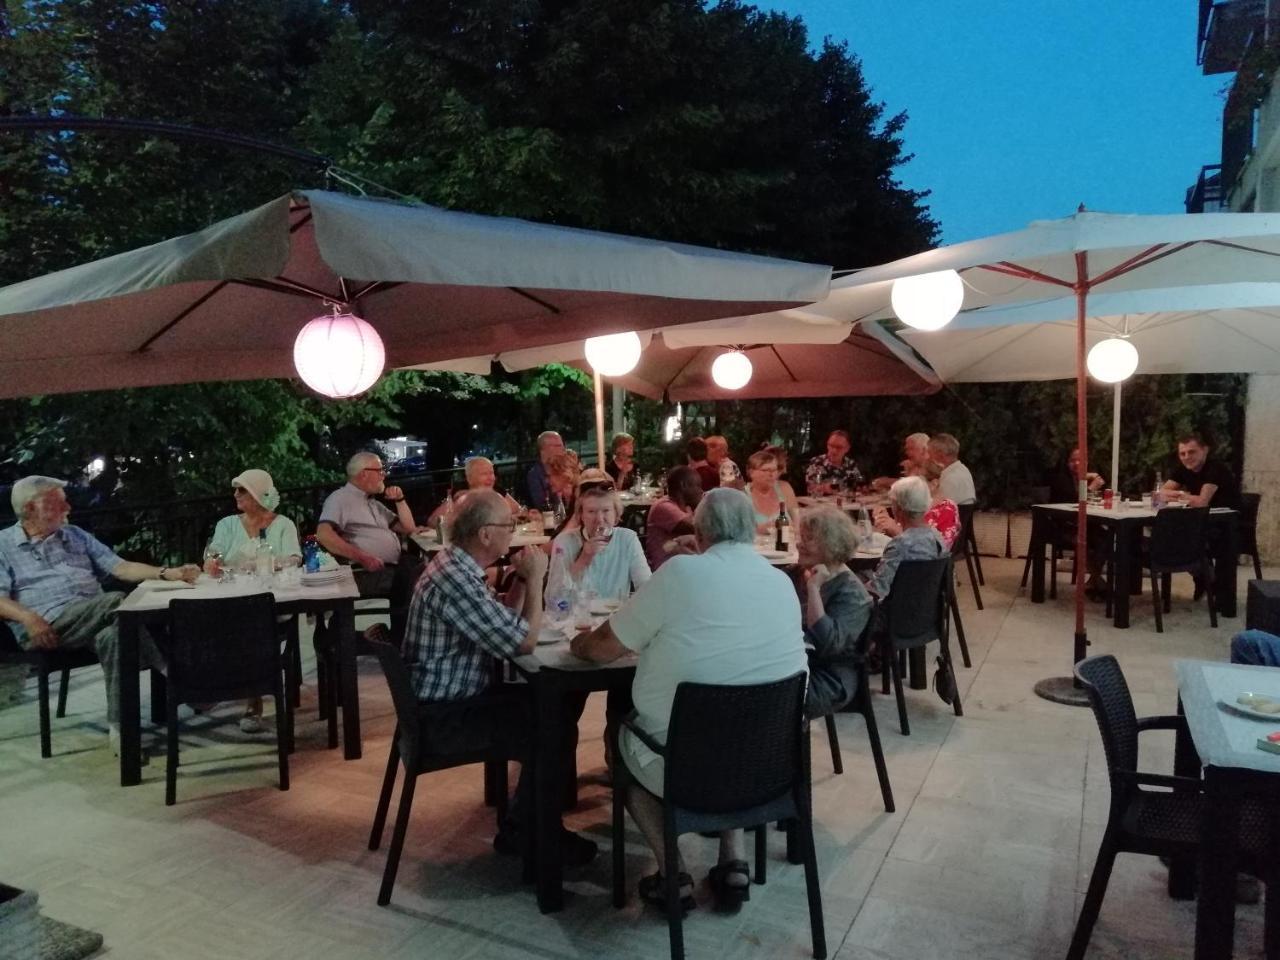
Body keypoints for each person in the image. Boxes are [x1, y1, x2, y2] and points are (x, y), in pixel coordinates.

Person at [570, 488, 807, 912]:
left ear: (699, 532)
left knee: (620, 740)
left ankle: (672, 871)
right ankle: (732, 859)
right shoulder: (782, 582)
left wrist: (577, 643)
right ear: (752, 530)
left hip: (687, 767)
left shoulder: (680, 574)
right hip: (768, 766)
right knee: (733, 726)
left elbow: (602, 648)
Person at [401, 490, 597, 865]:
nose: (515, 532)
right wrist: (537, 580)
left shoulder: (455, 565)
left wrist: (520, 581)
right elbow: (523, 642)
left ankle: (525, 825)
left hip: (452, 699)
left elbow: (501, 622)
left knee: (561, 704)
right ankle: (538, 836)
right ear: (486, 534)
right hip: (445, 717)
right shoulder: (454, 579)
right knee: (554, 725)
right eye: (509, 525)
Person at [0, 476, 200, 754]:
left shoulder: (75, 535)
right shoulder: (2, 545)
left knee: (115, 635)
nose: (68, 506)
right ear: (32, 508)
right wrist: (28, 618)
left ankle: (121, 731)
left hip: (96, 616)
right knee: (117, 602)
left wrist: (166, 573)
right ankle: (184, 680)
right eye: (60, 502)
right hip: (46, 626)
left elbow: (120, 567)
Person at [203, 468, 302, 733]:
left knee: (251, 623)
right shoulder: (227, 525)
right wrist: (211, 562)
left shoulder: (283, 525)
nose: (235, 494)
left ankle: (252, 697)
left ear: (258, 494)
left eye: (242, 489)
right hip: (232, 598)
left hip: (271, 602)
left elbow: (294, 558)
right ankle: (209, 684)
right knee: (209, 620)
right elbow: (213, 555)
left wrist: (269, 563)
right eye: (236, 490)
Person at [797, 505, 875, 718]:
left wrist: (813, 590)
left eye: (808, 539)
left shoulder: (852, 594)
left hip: (831, 679)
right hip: (801, 666)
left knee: (763, 698)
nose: (798, 544)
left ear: (830, 544)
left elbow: (828, 644)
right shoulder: (808, 574)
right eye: (801, 537)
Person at [316, 452, 422, 597]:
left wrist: (400, 500)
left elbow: (409, 529)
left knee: (427, 571)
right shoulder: (340, 499)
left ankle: (404, 618)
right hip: (364, 574)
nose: (383, 475)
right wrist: (363, 558)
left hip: (390, 570)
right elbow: (323, 535)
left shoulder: (373, 503)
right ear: (364, 474)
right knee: (423, 581)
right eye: (379, 470)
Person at [545, 484, 650, 603]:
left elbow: (646, 586)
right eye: (591, 511)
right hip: (576, 618)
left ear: (616, 515)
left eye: (606, 511)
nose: (599, 519)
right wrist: (584, 558)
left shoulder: (627, 539)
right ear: (581, 516)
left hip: (615, 617)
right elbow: (553, 597)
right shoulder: (564, 541)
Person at [865, 476, 946, 599]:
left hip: (895, 614)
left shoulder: (899, 545)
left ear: (898, 509)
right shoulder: (937, 537)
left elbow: (878, 590)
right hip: (928, 611)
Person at [874, 462, 961, 550]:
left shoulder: (946, 509)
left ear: (934, 484)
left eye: (916, 483)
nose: (909, 488)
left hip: (919, 563)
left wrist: (896, 530)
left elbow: (934, 550)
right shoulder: (914, 505)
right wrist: (888, 523)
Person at [427, 456, 523, 525]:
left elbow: (520, 511)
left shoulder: (496, 491)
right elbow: (433, 521)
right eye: (484, 474)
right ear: (470, 479)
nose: (491, 478)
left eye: (491, 473)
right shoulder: (460, 494)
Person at [644, 466, 703, 570]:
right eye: (697, 486)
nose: (701, 491)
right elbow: (698, 530)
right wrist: (703, 505)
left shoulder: (686, 507)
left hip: (683, 563)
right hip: (665, 567)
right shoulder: (663, 506)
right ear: (683, 485)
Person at [1163, 432, 1240, 509]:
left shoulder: (1215, 468)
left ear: (1205, 450)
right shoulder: (1184, 468)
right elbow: (1161, 493)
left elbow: (1202, 502)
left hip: (1227, 515)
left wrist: (1178, 496)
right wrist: (1182, 495)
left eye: (1191, 452)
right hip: (1203, 515)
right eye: (1182, 454)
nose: (1187, 457)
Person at [745, 450, 801, 535]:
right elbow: (737, 532)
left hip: (786, 545)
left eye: (774, 470)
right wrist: (763, 529)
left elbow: (798, 525)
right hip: (754, 546)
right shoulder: (742, 494)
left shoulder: (784, 488)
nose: (771, 474)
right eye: (765, 470)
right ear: (751, 472)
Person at [805, 430, 865, 496]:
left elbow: (859, 486)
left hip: (847, 504)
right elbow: (811, 490)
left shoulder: (851, 464)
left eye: (839, 447)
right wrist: (823, 488)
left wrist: (870, 486)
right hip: (823, 504)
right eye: (831, 446)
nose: (834, 451)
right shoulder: (817, 463)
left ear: (847, 448)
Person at [928, 433, 976, 506]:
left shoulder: (951, 478)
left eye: (930, 452)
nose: (928, 457)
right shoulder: (963, 470)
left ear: (940, 454)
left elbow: (934, 508)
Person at [526, 430, 567, 508]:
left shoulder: (566, 468)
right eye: (557, 446)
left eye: (562, 445)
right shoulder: (535, 475)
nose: (562, 449)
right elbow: (542, 505)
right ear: (543, 449)